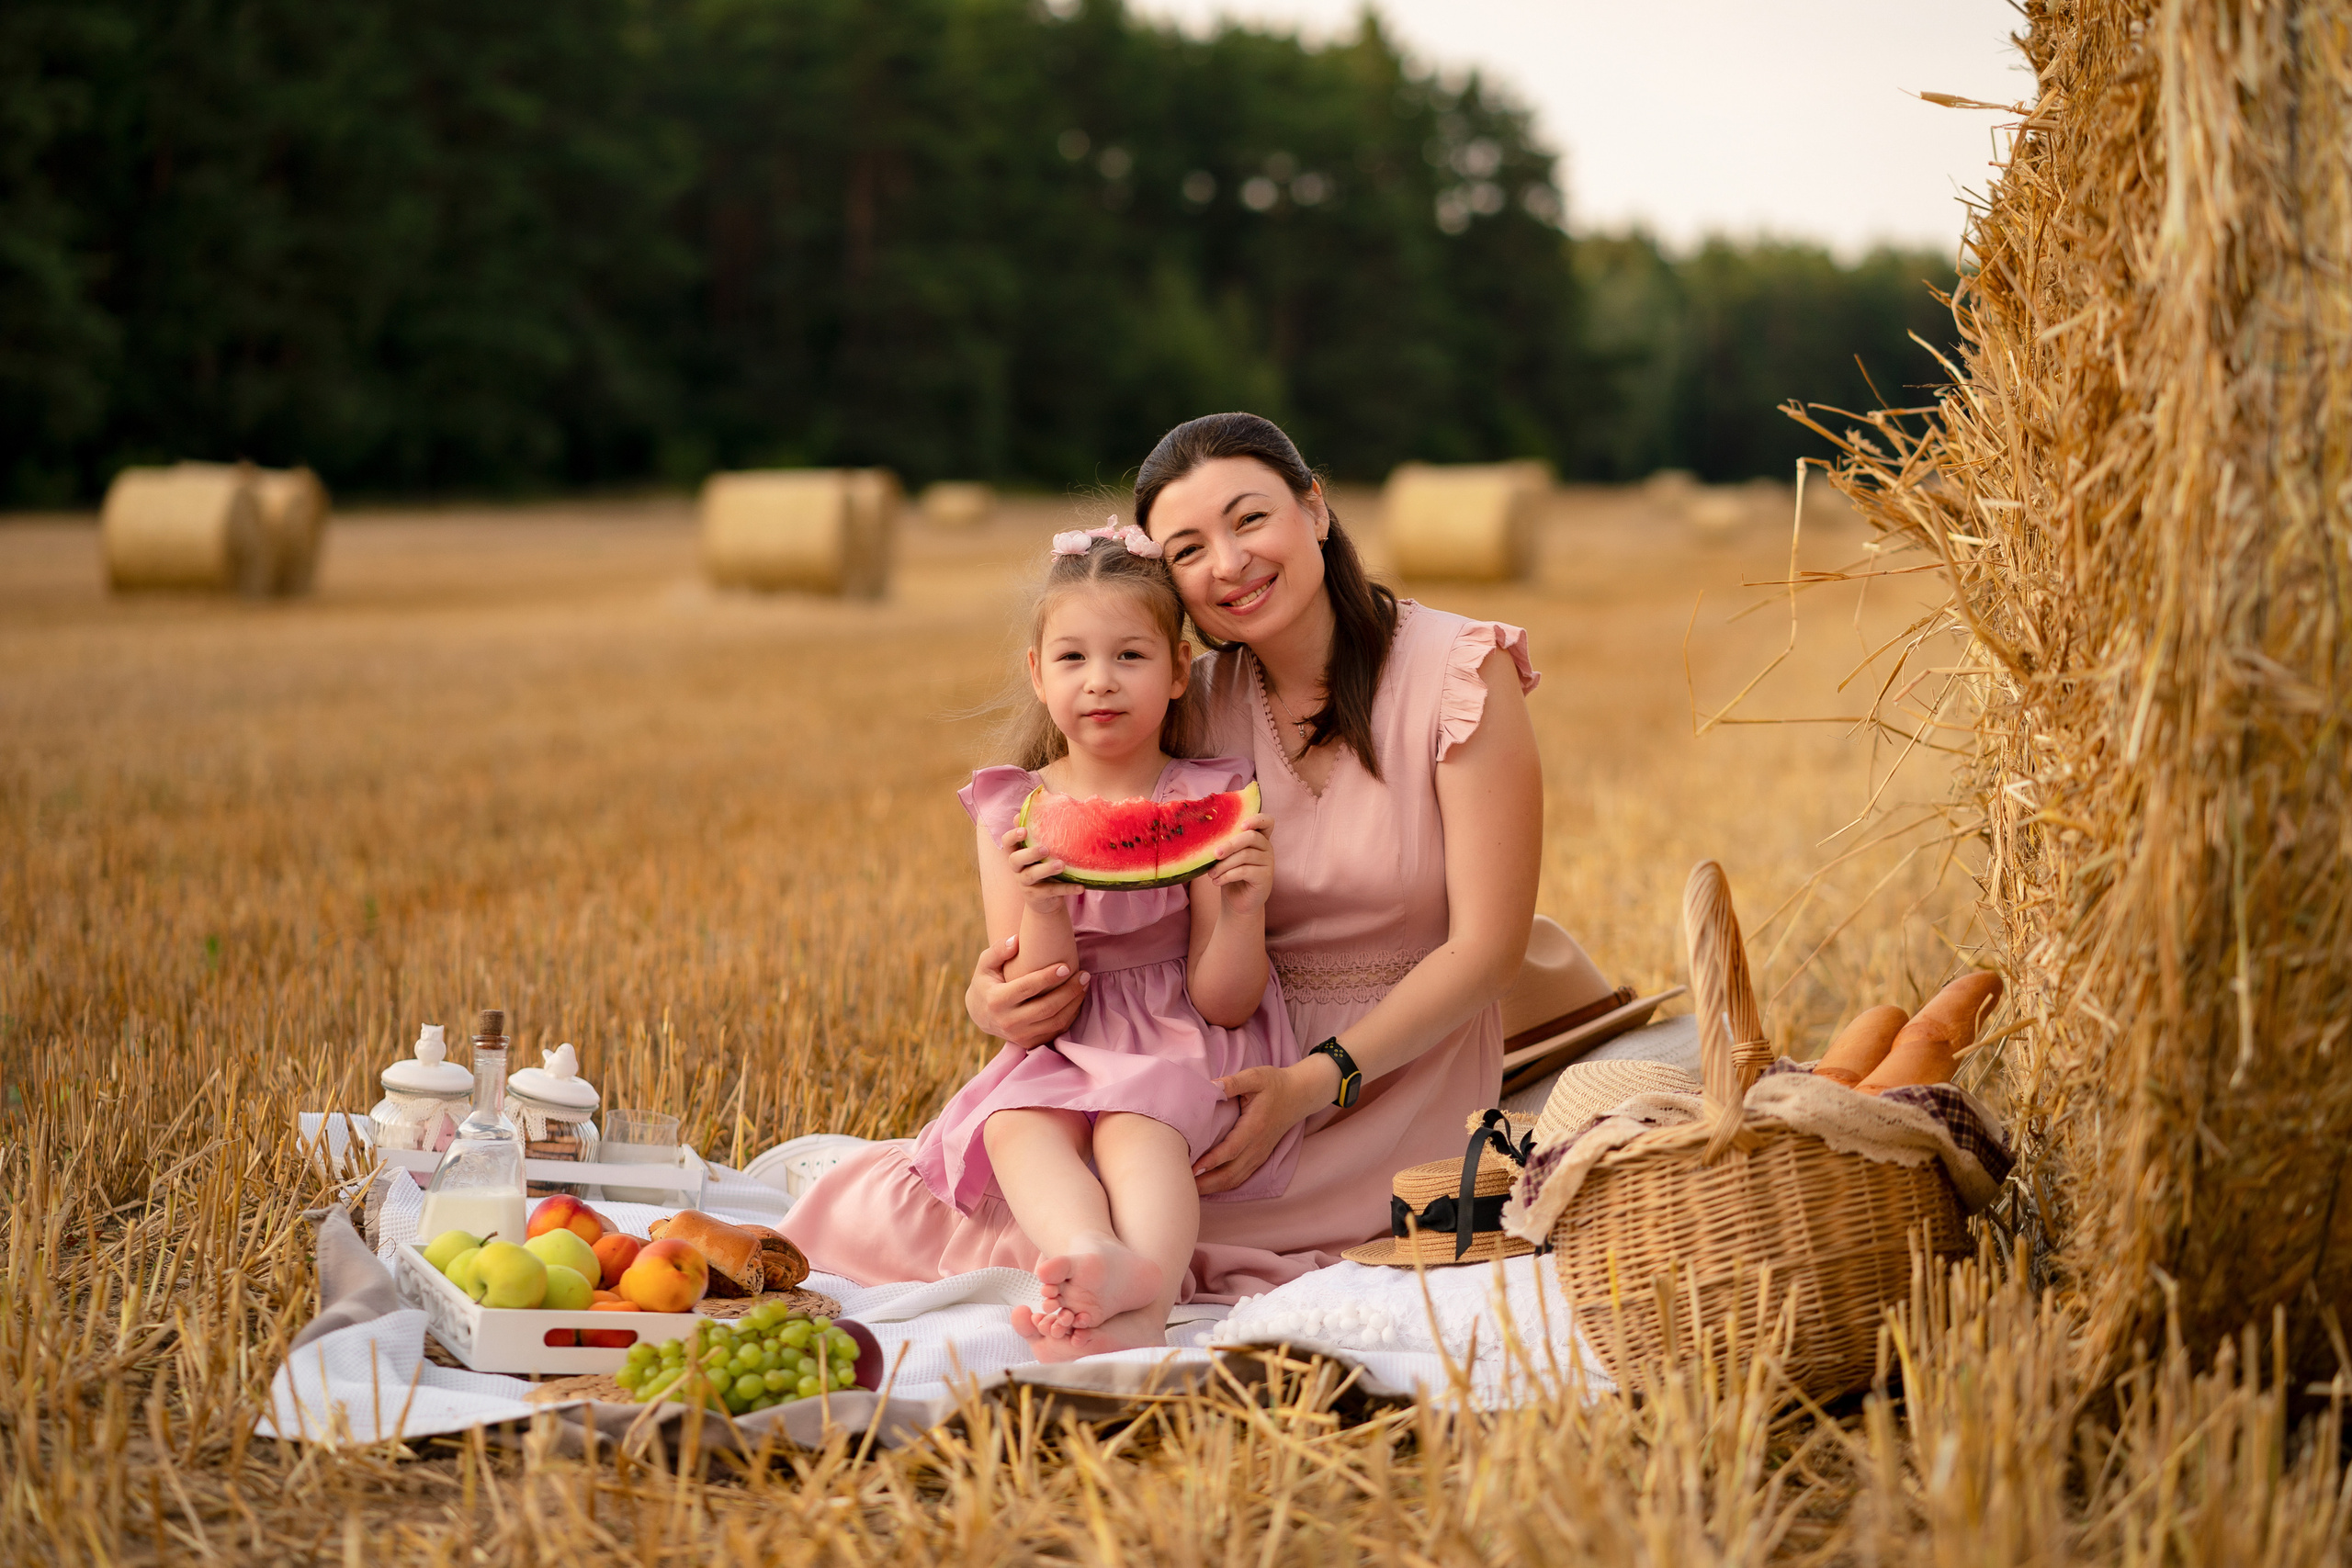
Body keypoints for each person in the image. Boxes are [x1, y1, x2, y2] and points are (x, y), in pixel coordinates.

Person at [787, 412, 1542, 1315]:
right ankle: (1115, 1274)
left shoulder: (1457, 672)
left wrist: (1308, 1084)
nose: (1228, 564)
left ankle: (1125, 1285)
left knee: (1102, 1224)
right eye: (1189, 548)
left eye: (1249, 519)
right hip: (1207, 1066)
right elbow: (1094, 866)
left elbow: (1489, 952)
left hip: (1386, 1079)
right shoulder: (1193, 697)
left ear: (1316, 508)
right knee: (1003, 1206)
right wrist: (993, 997)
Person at [886, 519, 1293, 1359]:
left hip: (1179, 1037)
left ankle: (1143, 1307)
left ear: (1180, 671)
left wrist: (1245, 906)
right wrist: (1042, 906)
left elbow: (1226, 999)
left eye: (1131, 657)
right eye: (1073, 658)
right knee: (1013, 1122)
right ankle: (1091, 1251)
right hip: (1064, 1042)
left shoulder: (1214, 793)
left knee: (1134, 1125)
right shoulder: (1012, 808)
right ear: (1038, 675)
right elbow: (1037, 1004)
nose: (1100, 683)